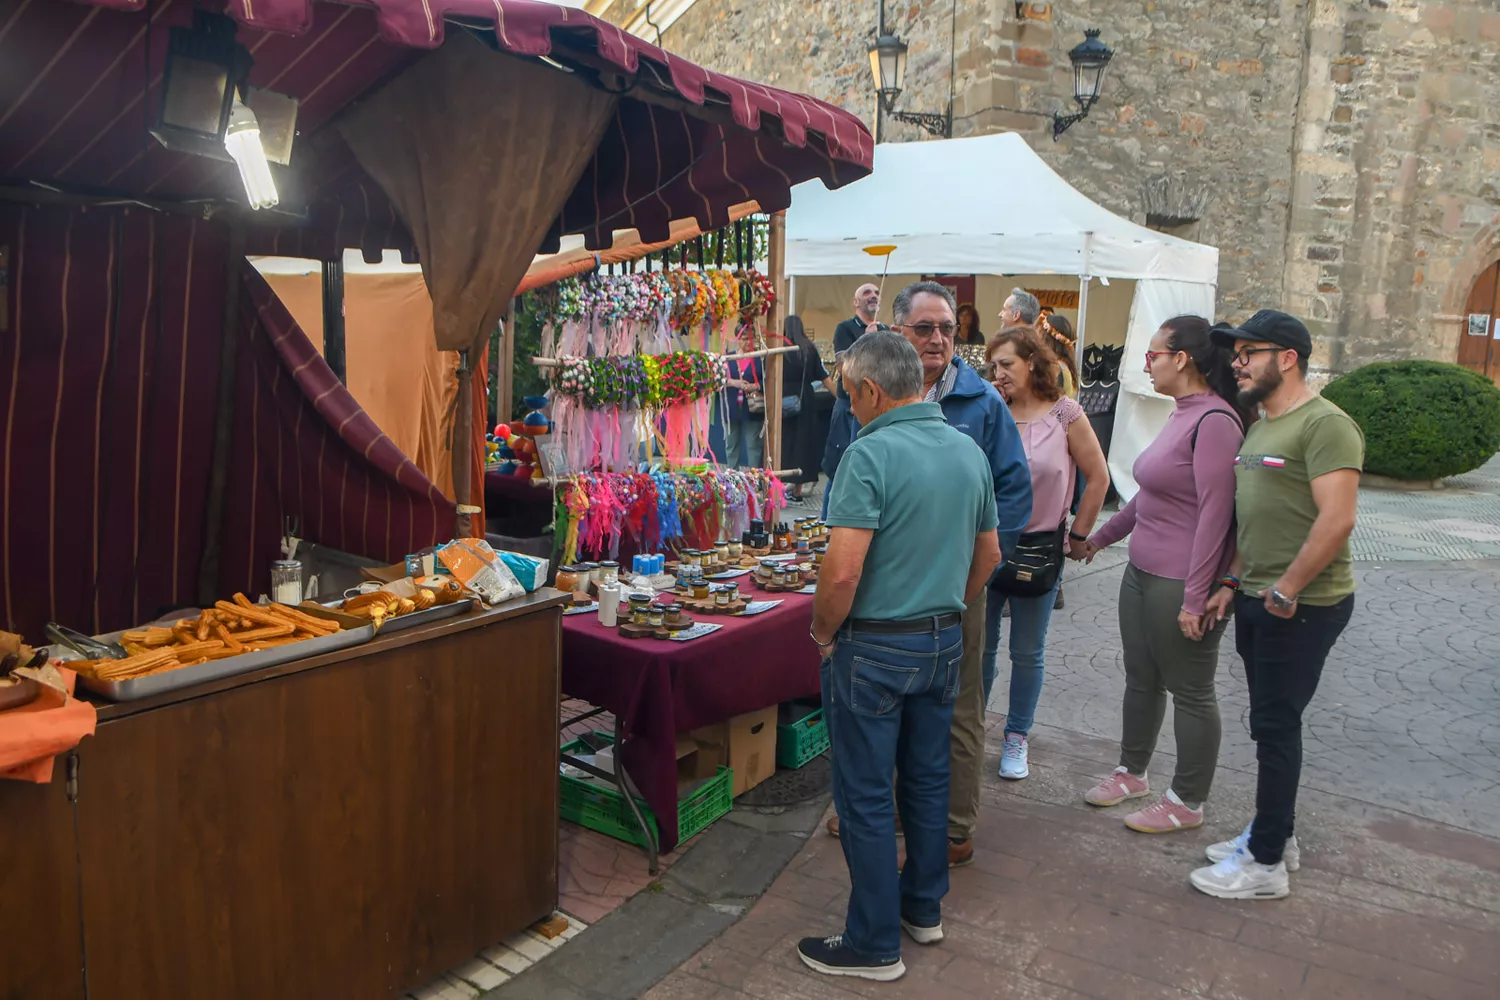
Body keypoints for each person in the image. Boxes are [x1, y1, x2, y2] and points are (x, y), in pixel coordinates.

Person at [799, 331, 1001, 982]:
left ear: (872, 391)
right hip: (942, 637)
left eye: (849, 393)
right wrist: (947, 603)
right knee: (926, 778)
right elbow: (989, 555)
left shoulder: (871, 451)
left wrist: (823, 634)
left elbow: (841, 574)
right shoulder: (966, 449)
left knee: (863, 794)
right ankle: (923, 908)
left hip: (876, 644)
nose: (847, 405)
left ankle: (874, 942)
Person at [823, 282, 1032, 869]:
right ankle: (882, 814)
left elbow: (1012, 495)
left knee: (958, 712)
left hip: (954, 590)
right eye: (925, 329)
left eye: (947, 327)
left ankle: (952, 828)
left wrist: (966, 583)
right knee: (890, 709)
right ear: (899, 336)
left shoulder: (981, 402)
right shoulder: (865, 386)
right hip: (883, 590)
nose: (939, 338)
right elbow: (842, 480)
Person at [1190, 310, 1362, 901]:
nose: (1235, 362)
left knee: (1275, 725)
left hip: (1304, 603)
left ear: (1287, 357)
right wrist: (1232, 585)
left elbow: (1337, 519)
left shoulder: (1325, 425)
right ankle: (1276, 833)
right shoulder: (1262, 425)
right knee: (1271, 723)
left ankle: (1265, 864)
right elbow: (1257, 522)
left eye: (1248, 352)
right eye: (1234, 354)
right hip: (1261, 598)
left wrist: (1286, 589)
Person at [1077, 316, 1247, 833]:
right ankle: (1132, 772)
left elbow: (1217, 518)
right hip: (1143, 573)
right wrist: (1098, 539)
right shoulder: (1181, 413)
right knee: (1141, 679)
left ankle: (1188, 801)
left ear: (1183, 359)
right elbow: (1149, 494)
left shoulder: (1215, 421)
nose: (1146, 363)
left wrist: (1197, 598)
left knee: (1192, 691)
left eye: (1153, 355)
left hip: (1179, 582)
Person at [982, 326, 1109, 780]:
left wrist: (1079, 535)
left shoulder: (1065, 413)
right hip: (986, 545)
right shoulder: (990, 410)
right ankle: (969, 726)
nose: (998, 374)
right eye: (993, 366)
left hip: (1039, 549)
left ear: (1033, 363)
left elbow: (1098, 477)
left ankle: (1017, 736)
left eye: (1007, 364)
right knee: (980, 645)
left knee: (1027, 651)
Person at [820, 283, 883, 502]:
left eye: (876, 293)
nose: (873, 296)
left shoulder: (883, 330)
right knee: (840, 467)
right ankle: (827, 524)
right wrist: (866, 340)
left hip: (877, 409)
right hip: (850, 407)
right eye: (867, 293)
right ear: (856, 302)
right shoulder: (845, 328)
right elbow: (843, 366)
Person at [780, 315, 833, 500]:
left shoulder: (781, 349)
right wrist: (841, 397)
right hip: (806, 400)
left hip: (783, 400)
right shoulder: (809, 348)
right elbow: (824, 377)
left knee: (784, 444)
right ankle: (798, 491)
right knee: (804, 444)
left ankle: (779, 486)